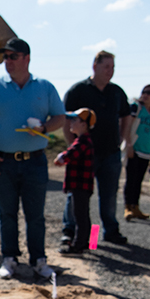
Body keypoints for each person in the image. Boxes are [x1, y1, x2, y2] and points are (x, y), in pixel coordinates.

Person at [0, 38, 65, 279]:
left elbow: (60, 117)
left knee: (35, 215)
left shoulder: (44, 87)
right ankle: (9, 258)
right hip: (2, 160)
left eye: (13, 56)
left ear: (27, 58)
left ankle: (38, 260)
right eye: (5, 57)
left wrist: (45, 128)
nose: (8, 61)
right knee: (7, 213)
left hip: (35, 160)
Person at [62, 51, 132, 245]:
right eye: (106, 67)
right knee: (79, 198)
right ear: (95, 66)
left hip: (110, 152)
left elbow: (126, 114)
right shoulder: (78, 90)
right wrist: (72, 145)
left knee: (108, 197)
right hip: (84, 157)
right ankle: (71, 232)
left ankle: (103, 234)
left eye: (113, 68)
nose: (110, 71)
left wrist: (122, 137)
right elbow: (64, 117)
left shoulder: (116, 92)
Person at [54, 108, 96, 257]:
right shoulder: (82, 140)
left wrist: (60, 157)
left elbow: (71, 154)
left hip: (80, 186)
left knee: (80, 215)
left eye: (74, 120)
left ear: (84, 124)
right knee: (83, 214)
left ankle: (79, 246)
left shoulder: (83, 141)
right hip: (82, 186)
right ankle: (89, 243)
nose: (71, 123)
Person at [123, 85, 150, 221]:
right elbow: (127, 126)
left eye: (149, 93)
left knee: (138, 180)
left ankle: (135, 206)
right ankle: (127, 207)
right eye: (143, 92)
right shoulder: (136, 107)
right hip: (134, 148)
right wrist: (128, 144)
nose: (145, 95)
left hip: (146, 150)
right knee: (131, 178)